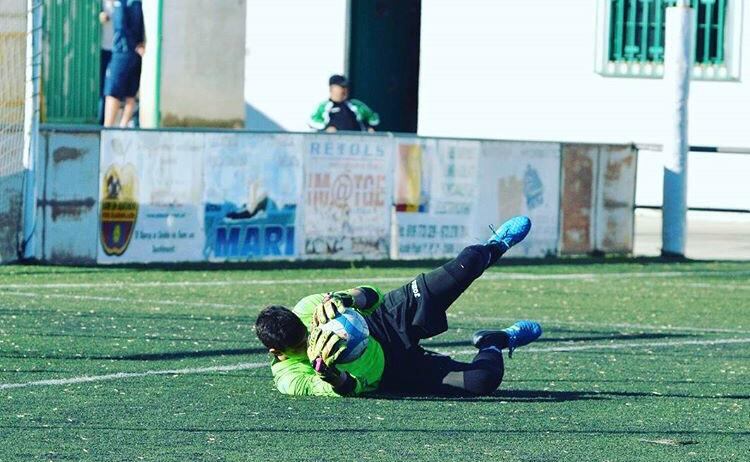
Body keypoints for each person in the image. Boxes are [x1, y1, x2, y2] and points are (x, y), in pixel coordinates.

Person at [254, 216, 542, 397]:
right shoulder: (289, 379)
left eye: (306, 332)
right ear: (277, 352)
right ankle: (493, 341)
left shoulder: (307, 307)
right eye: (299, 346)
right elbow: (349, 388)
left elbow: (373, 296)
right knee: (483, 381)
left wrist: (347, 298)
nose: (309, 340)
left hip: (383, 322)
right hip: (392, 371)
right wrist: (330, 375)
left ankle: (496, 246)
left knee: (465, 264)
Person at [103, 0, 145, 128]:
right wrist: (139, 45)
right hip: (136, 53)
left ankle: (108, 128)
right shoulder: (137, 3)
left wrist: (133, 45)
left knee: (112, 91)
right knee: (131, 93)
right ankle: (123, 127)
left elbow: (121, 25)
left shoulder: (121, 4)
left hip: (122, 51)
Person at [309, 75, 380, 133]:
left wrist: (370, 128)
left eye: (346, 87)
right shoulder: (324, 107)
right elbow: (312, 122)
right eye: (341, 87)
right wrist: (326, 128)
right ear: (332, 88)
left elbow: (374, 119)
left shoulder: (356, 105)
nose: (344, 90)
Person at [98, 0, 114, 125]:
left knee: (113, 87)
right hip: (103, 50)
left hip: (119, 51)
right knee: (103, 86)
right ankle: (101, 119)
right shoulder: (101, 4)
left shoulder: (124, 3)